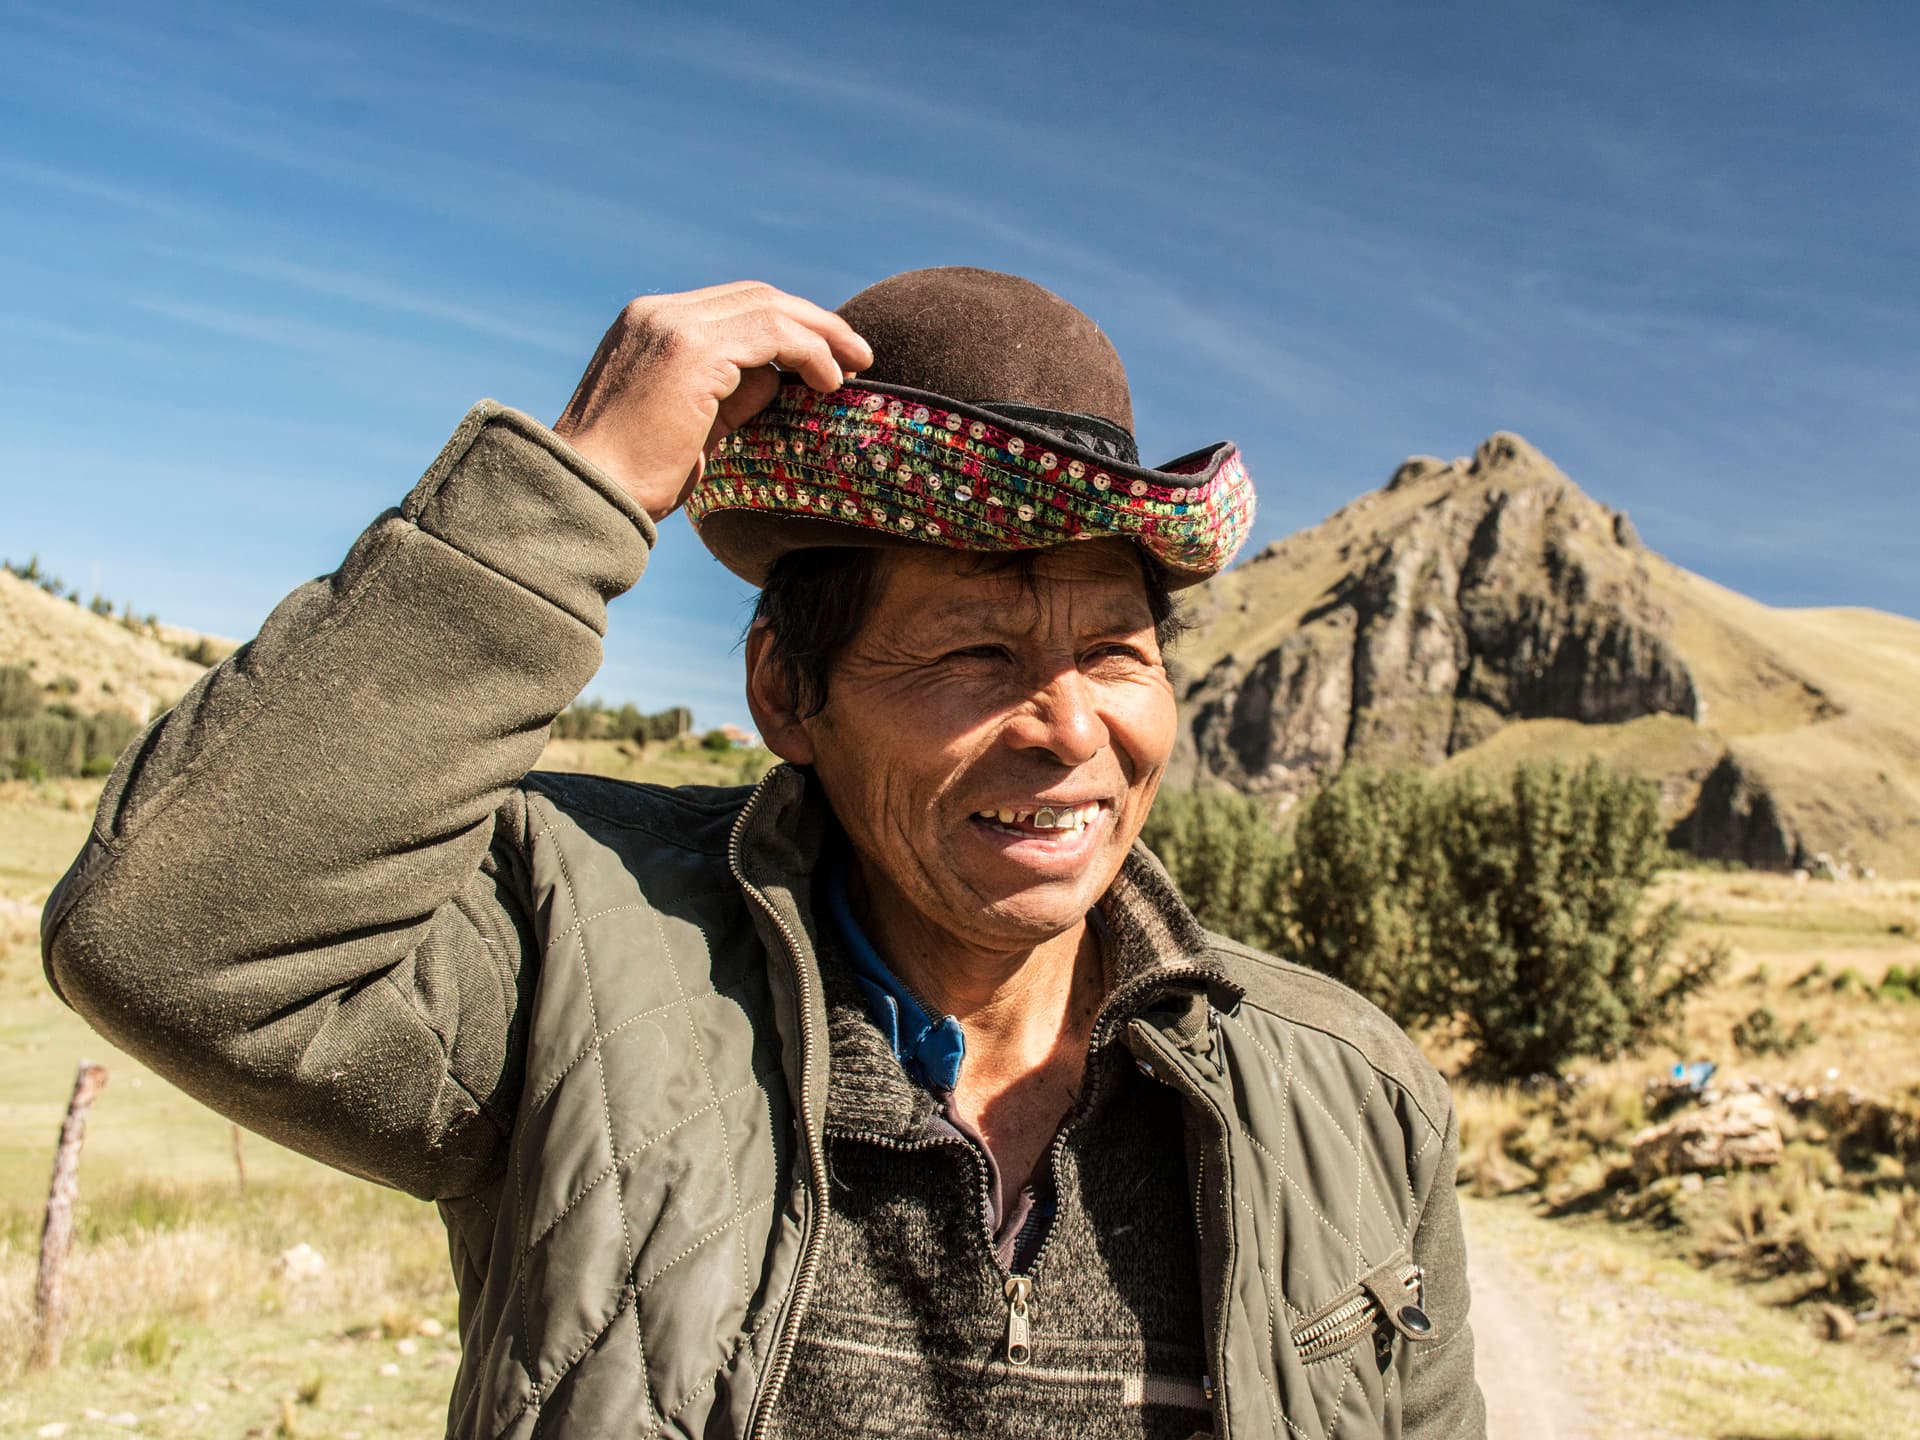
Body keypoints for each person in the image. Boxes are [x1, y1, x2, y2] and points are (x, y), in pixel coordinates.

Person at [42, 268, 1485, 1439]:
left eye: (1114, 655)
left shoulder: (1347, 1091)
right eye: (973, 653)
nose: (1068, 731)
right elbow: (168, 937)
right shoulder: (580, 966)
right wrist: (582, 481)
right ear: (788, 695)